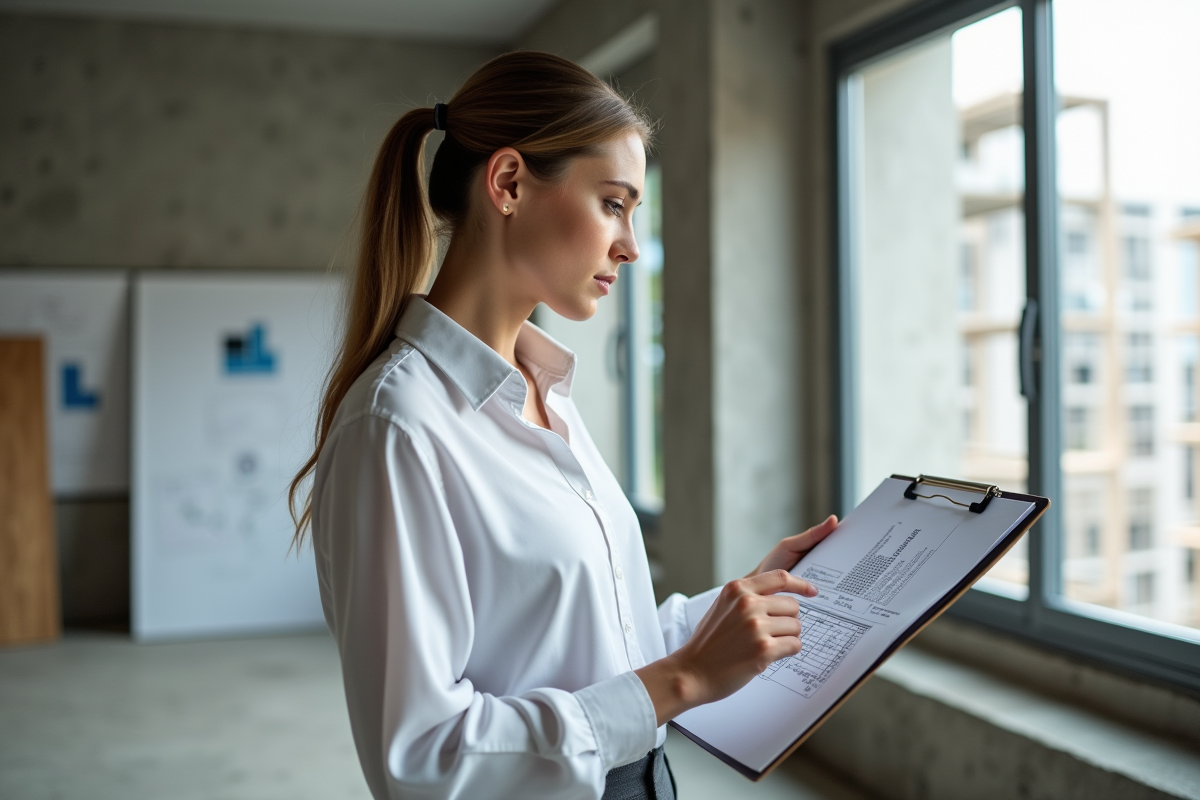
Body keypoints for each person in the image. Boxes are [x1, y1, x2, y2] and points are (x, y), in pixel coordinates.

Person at [289, 51, 838, 800]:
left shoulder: (547, 395)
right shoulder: (397, 426)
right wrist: (683, 679)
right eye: (613, 203)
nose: (632, 245)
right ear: (509, 183)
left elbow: (592, 643)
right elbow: (419, 759)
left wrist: (736, 610)